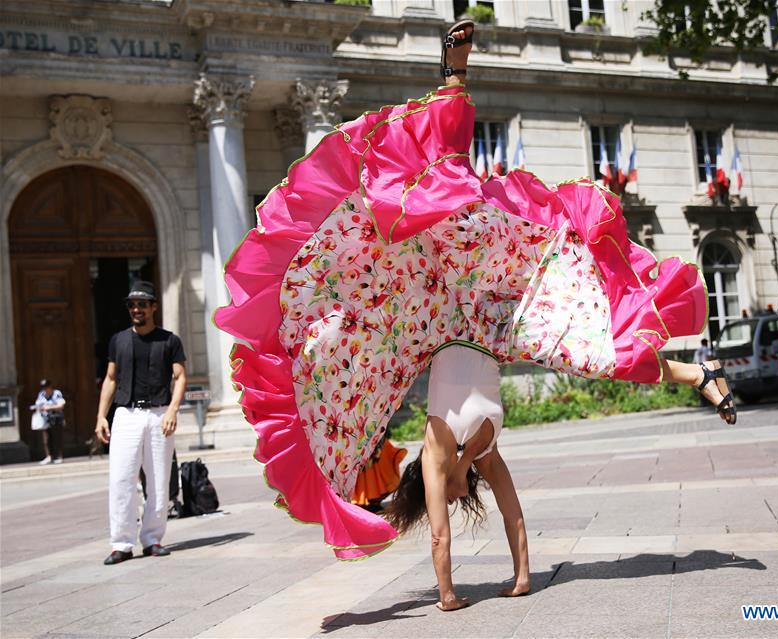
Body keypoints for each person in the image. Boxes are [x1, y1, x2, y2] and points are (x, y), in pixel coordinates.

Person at [214, 19, 736, 575]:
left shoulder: (437, 452)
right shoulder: (487, 454)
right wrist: (520, 580)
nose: (465, 486)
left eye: (454, 484)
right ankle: (700, 375)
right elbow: (512, 520)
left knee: (439, 200)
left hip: (430, 312)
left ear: (437, 477)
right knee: (594, 351)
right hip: (494, 319)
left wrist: (446, 595)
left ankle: (452, 81)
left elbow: (439, 542)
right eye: (467, 487)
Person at [95, 281, 187, 564]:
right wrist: (101, 416)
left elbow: (180, 376)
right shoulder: (119, 340)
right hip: (126, 414)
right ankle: (121, 543)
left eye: (142, 304)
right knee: (121, 478)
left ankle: (152, 539)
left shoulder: (169, 340)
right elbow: (111, 379)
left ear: (153, 307)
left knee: (159, 479)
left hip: (160, 413)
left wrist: (172, 410)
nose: (137, 309)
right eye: (133, 305)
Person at [32, 379, 65, 464]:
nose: (45, 390)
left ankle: (59, 456)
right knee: (46, 439)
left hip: (56, 418)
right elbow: (38, 404)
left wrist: (49, 407)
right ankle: (49, 456)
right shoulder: (41, 395)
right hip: (45, 419)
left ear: (50, 387)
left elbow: (61, 405)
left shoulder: (57, 393)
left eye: (46, 388)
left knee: (57, 437)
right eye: (43, 388)